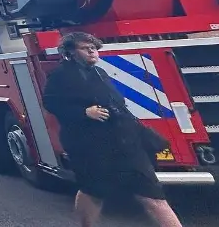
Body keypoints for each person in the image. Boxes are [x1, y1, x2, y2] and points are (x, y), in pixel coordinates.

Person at [42, 32, 183, 227]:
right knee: (93, 191)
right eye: (85, 48)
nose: (92, 51)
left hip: (125, 143)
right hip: (90, 145)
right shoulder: (60, 75)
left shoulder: (100, 73)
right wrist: (84, 112)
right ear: (71, 52)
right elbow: (50, 103)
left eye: (94, 47)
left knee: (153, 196)